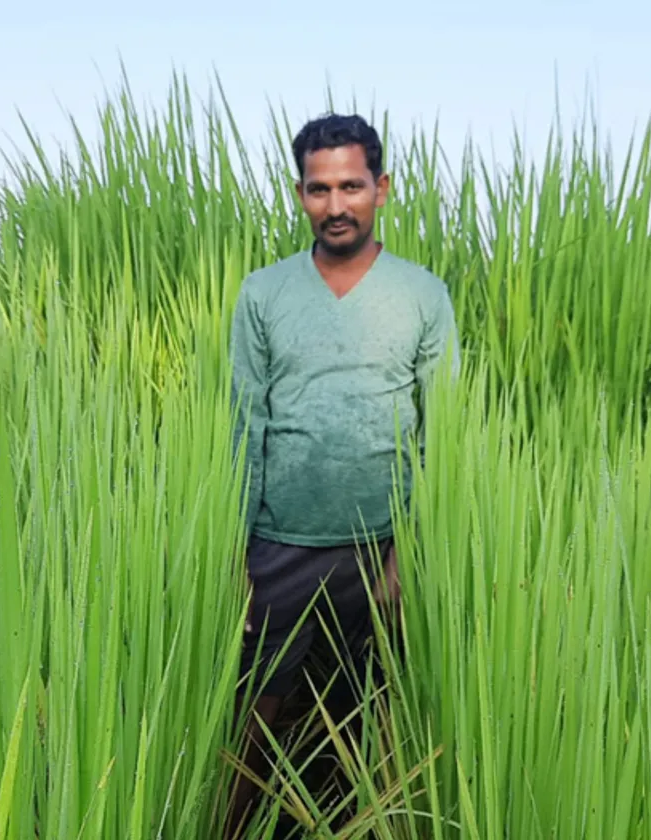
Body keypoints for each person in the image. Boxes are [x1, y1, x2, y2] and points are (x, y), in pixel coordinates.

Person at [223, 112, 459, 837]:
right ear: (299, 194)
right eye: (319, 189)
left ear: (381, 188)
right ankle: (229, 828)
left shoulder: (423, 294)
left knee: (374, 715)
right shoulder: (263, 294)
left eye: (351, 186)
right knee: (255, 712)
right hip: (278, 545)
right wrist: (237, 552)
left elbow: (441, 432)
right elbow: (244, 425)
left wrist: (408, 551)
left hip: (381, 546)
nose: (335, 205)